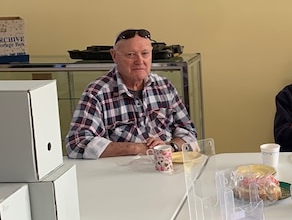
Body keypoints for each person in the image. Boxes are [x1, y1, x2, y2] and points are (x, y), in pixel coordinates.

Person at [65, 28, 197, 159]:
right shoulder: (97, 93)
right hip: (122, 173)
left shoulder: (164, 86)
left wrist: (170, 147)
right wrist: (135, 148)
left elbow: (189, 132)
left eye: (145, 53)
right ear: (114, 56)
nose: (139, 61)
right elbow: (76, 143)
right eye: (130, 55)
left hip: (167, 167)